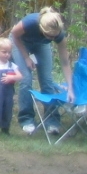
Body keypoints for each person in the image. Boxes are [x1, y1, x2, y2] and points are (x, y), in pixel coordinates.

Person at [9, 7, 74, 135]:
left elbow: (65, 63)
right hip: (21, 42)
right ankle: (26, 119)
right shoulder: (30, 22)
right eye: (49, 36)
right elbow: (14, 36)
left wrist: (71, 88)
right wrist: (26, 57)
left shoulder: (59, 34)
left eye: (53, 37)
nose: (52, 38)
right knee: (26, 78)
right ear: (41, 29)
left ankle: (52, 121)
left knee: (47, 79)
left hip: (41, 45)